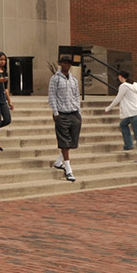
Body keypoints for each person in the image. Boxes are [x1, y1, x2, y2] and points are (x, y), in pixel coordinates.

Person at [47, 53, 81, 182]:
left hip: (74, 113)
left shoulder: (74, 79)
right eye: (64, 62)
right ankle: (68, 169)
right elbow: (51, 96)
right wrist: (55, 112)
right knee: (64, 142)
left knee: (72, 142)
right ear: (60, 64)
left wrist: (79, 111)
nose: (67, 65)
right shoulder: (55, 79)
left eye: (69, 63)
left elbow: (77, 95)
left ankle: (59, 161)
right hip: (62, 113)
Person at [104, 70, 137, 165]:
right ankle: (128, 145)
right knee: (123, 124)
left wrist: (108, 108)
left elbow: (118, 99)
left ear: (121, 77)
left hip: (134, 113)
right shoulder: (134, 85)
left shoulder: (123, 86)